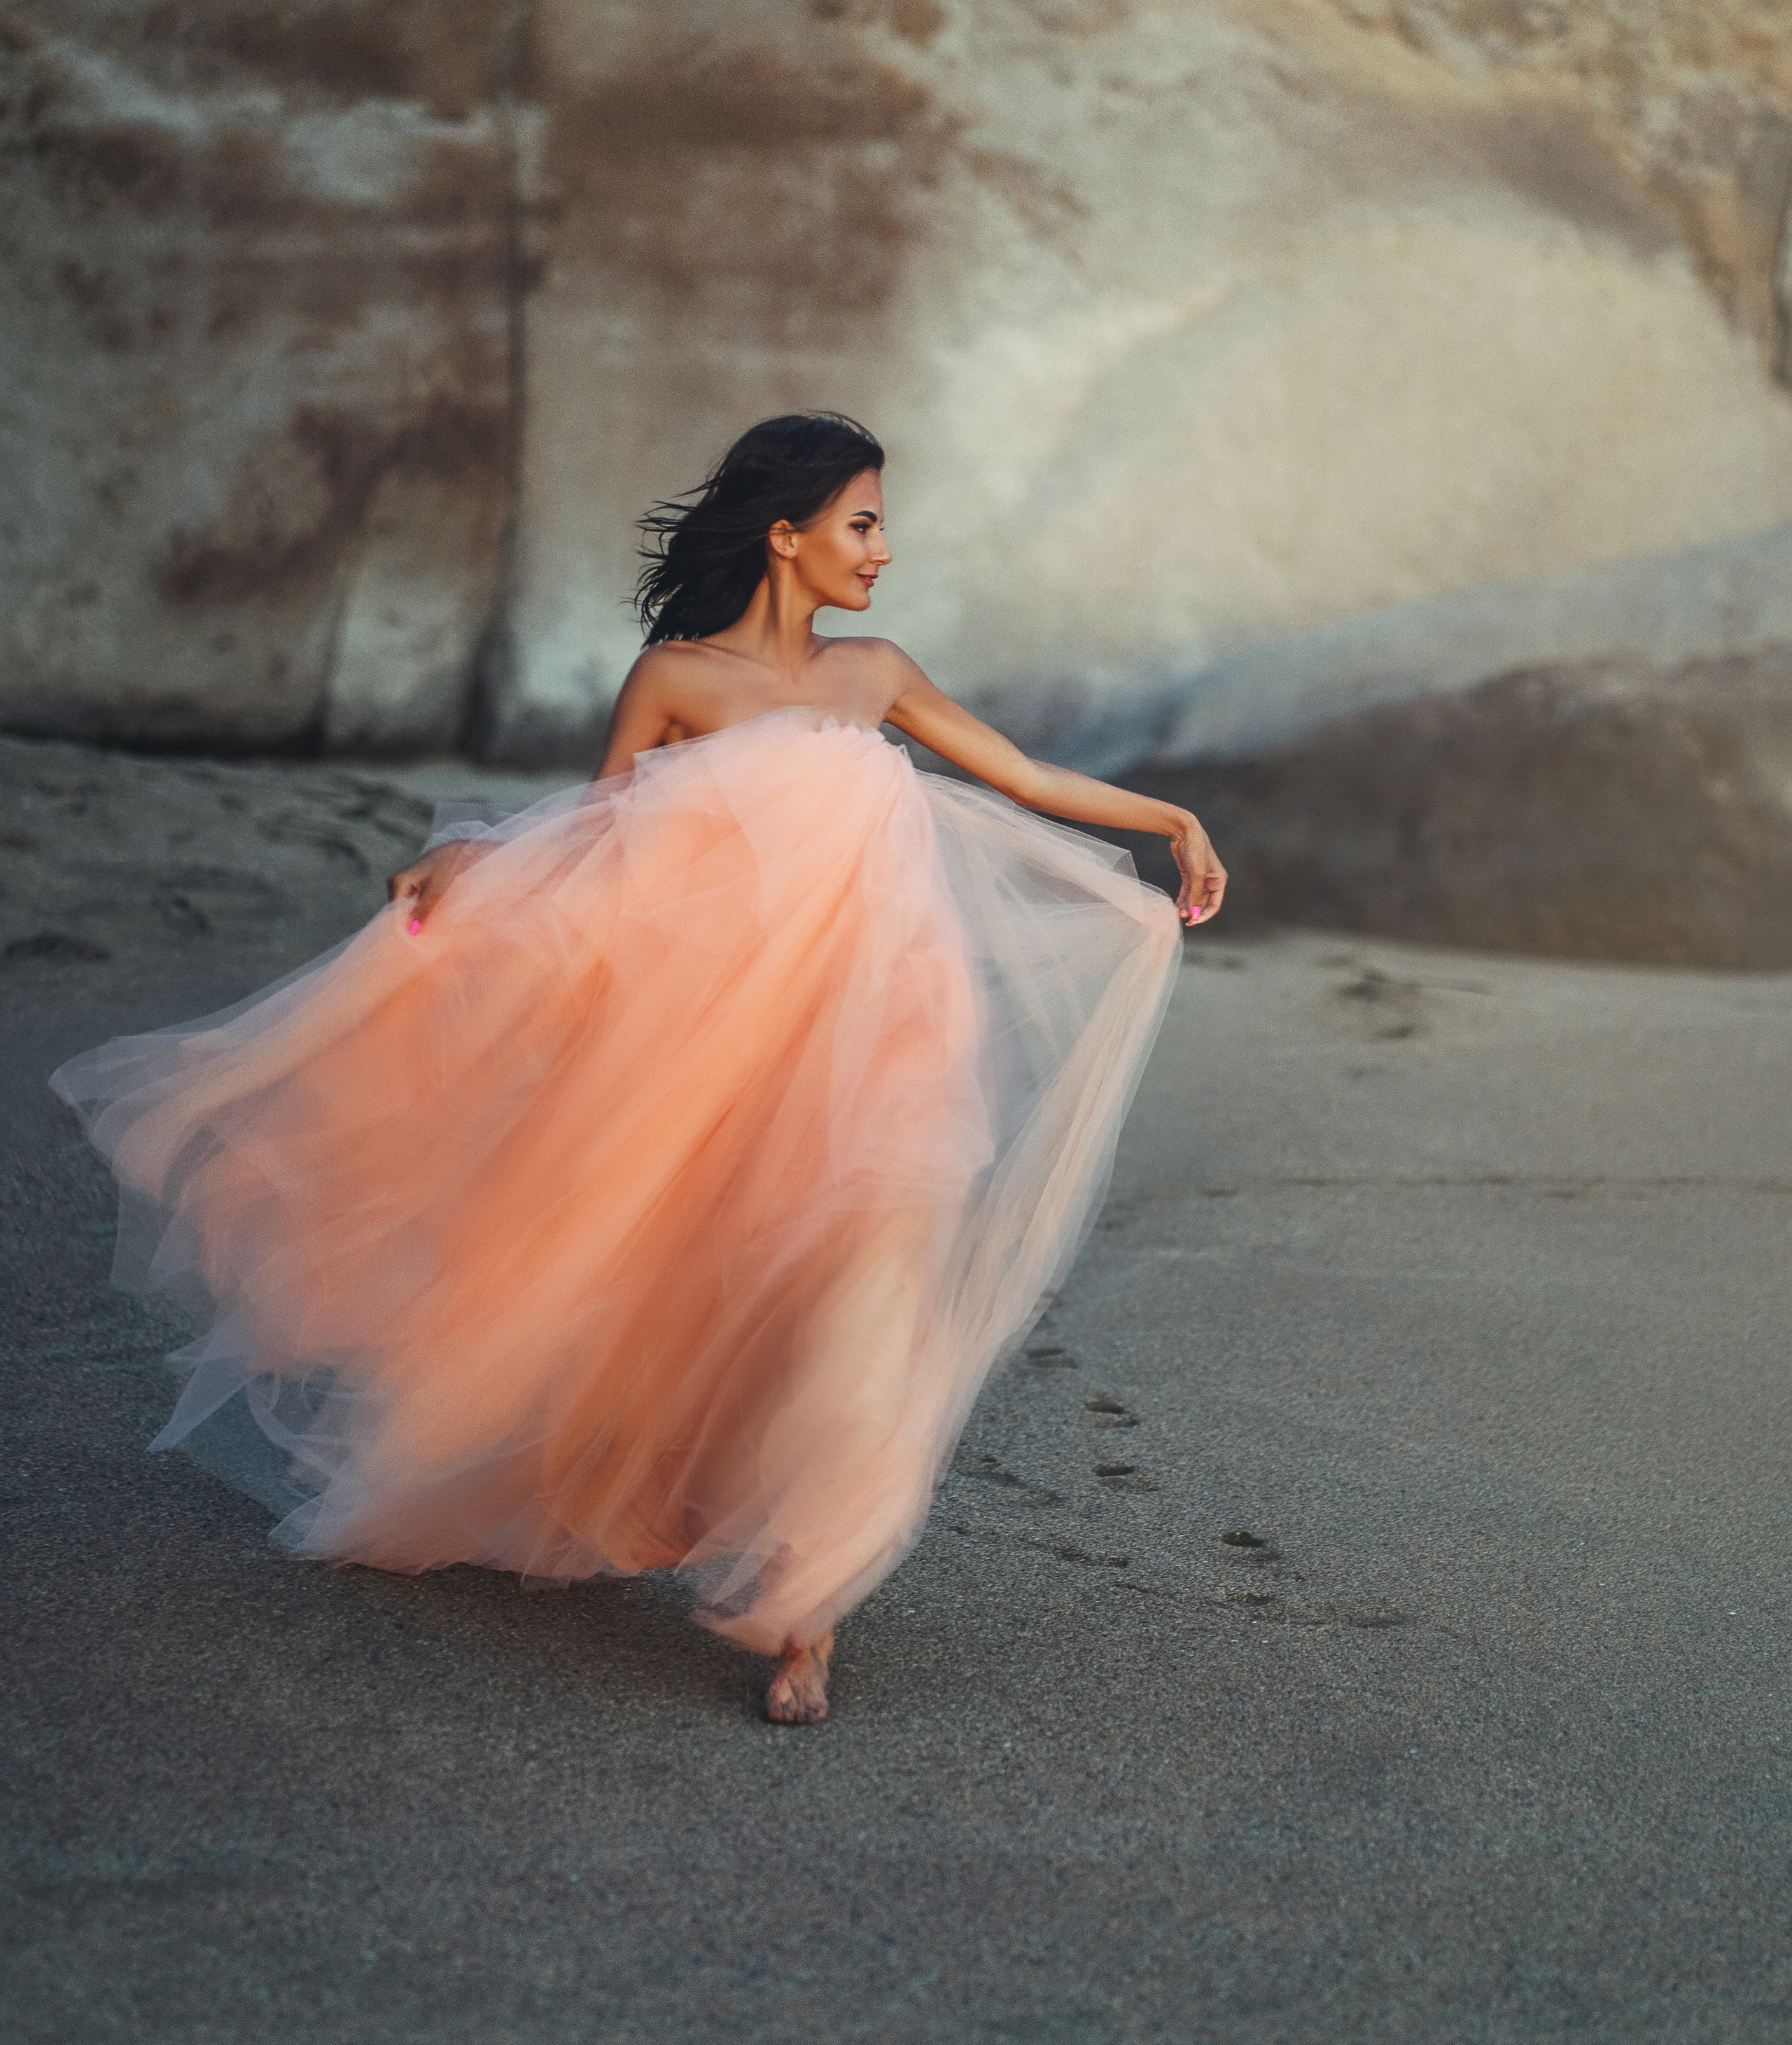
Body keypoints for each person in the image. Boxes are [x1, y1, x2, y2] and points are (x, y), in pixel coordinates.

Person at [52, 414, 1226, 1725]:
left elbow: (1014, 773)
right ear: (786, 537)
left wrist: (1165, 818)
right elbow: (603, 835)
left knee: (866, 1303)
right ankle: (670, 1510)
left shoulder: (876, 672)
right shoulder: (677, 679)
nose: (884, 550)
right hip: (734, 1055)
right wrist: (477, 860)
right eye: (863, 522)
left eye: (881, 523)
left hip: (890, 1046)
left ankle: (807, 1617)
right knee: (709, 1289)